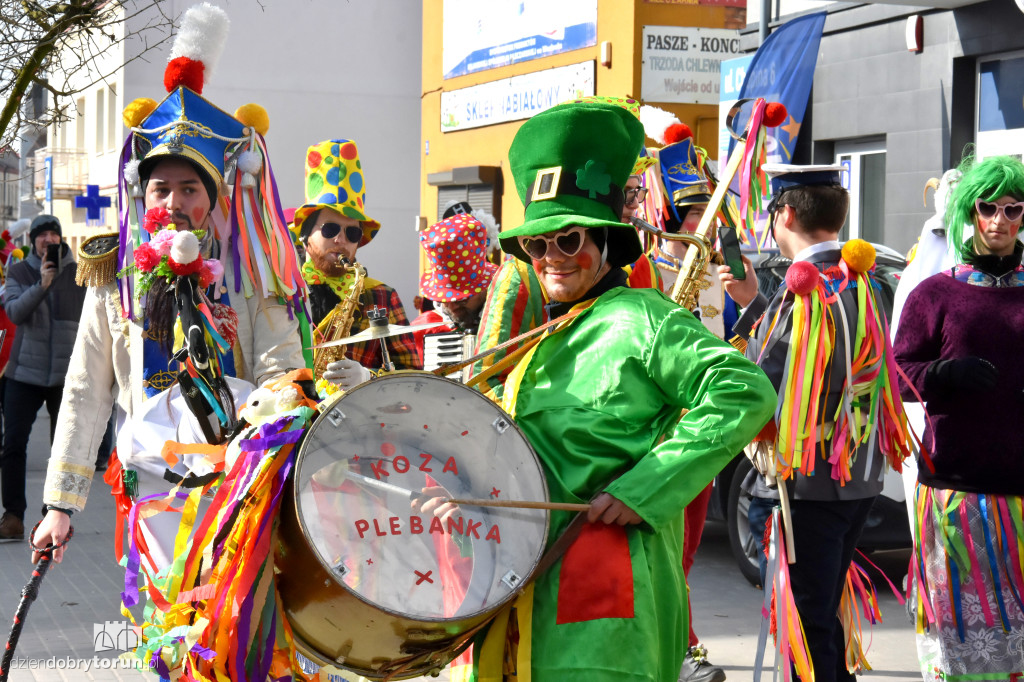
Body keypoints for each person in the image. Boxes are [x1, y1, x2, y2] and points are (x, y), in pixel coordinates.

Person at [465, 99, 776, 682]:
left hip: (609, 583)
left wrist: (645, 487)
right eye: (538, 245)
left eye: (569, 238)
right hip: (526, 584)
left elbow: (743, 390)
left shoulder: (641, 316)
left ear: (608, 240)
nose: (551, 258)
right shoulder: (547, 333)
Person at [31, 3, 308, 567]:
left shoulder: (249, 273)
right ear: (143, 197)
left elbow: (284, 369)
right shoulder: (117, 280)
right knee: (163, 637)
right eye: (162, 189)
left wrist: (269, 434)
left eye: (190, 189)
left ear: (213, 199)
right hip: (149, 488)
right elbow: (86, 389)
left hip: (241, 487)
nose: (175, 203)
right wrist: (59, 504)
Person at [722, 164, 909, 682]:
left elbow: (764, 382)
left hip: (804, 487)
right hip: (858, 479)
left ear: (784, 213)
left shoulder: (800, 289)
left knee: (805, 627)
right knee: (824, 616)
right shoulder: (867, 280)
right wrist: (753, 302)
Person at [893, 155, 1024, 681]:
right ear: (970, 212)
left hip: (1022, 490)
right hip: (957, 493)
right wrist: (945, 373)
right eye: (987, 207)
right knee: (960, 637)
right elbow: (898, 371)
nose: (999, 220)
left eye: (1012, 209)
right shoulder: (935, 293)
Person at [295, 138, 421, 390]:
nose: (341, 240)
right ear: (305, 235)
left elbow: (413, 378)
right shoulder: (284, 290)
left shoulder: (382, 296)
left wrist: (368, 378)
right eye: (330, 229)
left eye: (352, 233)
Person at [0, 215, 85, 541]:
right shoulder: (19, 270)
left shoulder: (78, 273)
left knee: (63, 449)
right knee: (13, 445)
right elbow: (15, 313)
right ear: (33, 240)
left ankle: (54, 515)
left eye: (54, 233)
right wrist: (44, 283)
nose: (49, 239)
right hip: (24, 373)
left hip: (65, 374)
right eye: (42, 234)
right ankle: (13, 517)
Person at [412, 212, 498, 367]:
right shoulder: (424, 329)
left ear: (485, 289)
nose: (451, 307)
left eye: (462, 299)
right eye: (444, 300)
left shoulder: (510, 313)